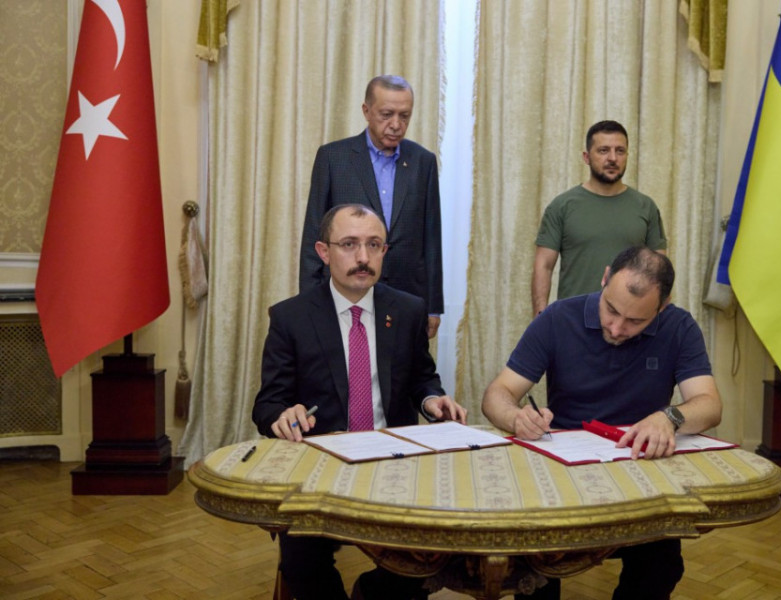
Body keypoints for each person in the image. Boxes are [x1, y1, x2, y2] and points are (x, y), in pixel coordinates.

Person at [484, 246, 722, 600]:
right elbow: (498, 394)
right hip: (564, 474)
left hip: (642, 473)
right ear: (605, 278)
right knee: (532, 566)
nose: (616, 327)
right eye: (611, 309)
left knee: (661, 566)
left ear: (663, 306)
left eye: (635, 321)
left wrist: (669, 417)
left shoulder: (679, 327)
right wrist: (516, 417)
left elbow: (710, 404)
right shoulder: (558, 318)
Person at [255, 204, 467, 600]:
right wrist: (284, 414)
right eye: (349, 244)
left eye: (374, 245)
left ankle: (371, 590)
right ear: (324, 251)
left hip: (395, 464)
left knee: (423, 561)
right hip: (321, 468)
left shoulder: (408, 310)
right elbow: (267, 404)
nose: (363, 257)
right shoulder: (291, 317)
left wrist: (432, 401)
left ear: (385, 251)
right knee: (302, 562)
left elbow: (422, 377)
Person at [299, 74, 443, 339]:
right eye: (386, 115)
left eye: (404, 116)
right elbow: (313, 235)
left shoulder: (423, 162)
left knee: (402, 365)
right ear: (366, 111)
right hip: (345, 291)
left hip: (406, 296)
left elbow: (431, 239)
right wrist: (309, 301)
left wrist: (433, 306)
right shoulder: (333, 158)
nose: (396, 124)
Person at [531, 120, 667, 317]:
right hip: (574, 320)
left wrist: (657, 320)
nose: (612, 158)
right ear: (586, 157)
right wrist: (541, 319)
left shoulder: (646, 207)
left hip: (628, 321)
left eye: (620, 151)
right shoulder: (561, 206)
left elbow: (659, 270)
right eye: (603, 151)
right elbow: (543, 266)